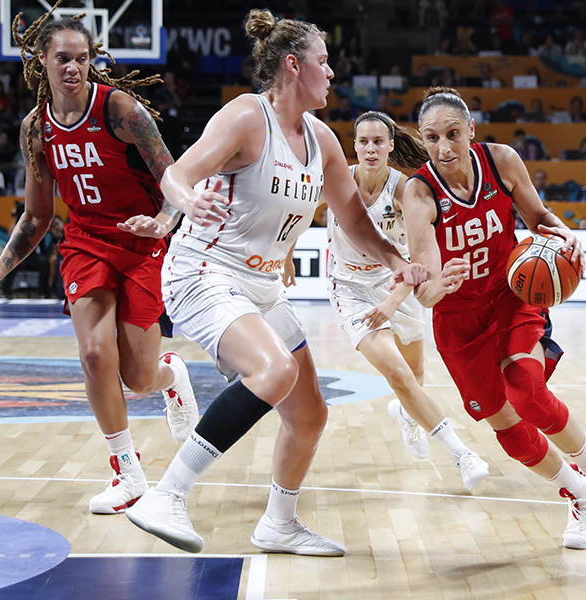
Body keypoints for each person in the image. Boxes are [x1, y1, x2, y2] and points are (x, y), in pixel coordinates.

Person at [123, 9, 427, 556]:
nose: (333, 73)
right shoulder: (246, 116)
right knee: (275, 369)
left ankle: (279, 525)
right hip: (204, 271)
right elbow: (175, 172)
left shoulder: (323, 140)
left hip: (261, 286)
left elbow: (354, 219)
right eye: (323, 62)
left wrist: (394, 259)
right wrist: (186, 199)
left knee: (310, 412)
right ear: (293, 65)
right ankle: (165, 496)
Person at [402, 87, 586, 550]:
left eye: (453, 134)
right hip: (457, 319)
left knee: (528, 393)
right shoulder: (418, 193)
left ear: (471, 130)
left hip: (509, 296)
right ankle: (577, 495)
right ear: (423, 139)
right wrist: (441, 283)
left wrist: (567, 235)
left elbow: (539, 218)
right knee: (512, 437)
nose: (444, 147)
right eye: (432, 138)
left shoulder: (502, 161)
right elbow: (426, 292)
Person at [0, 5, 198, 514]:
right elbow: (37, 216)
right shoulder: (36, 129)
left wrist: (164, 223)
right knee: (92, 355)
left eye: (82, 58)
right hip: (86, 242)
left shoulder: (121, 111)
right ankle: (127, 474)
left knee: (138, 376)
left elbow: (174, 181)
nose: (73, 67)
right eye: (62, 58)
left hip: (141, 241)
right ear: (41, 60)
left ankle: (170, 375)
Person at [324, 111, 488, 489]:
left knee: (414, 375)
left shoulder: (405, 191)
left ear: (391, 146)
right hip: (350, 290)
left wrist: (394, 302)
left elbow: (417, 261)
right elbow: (298, 214)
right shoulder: (337, 182)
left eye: (378, 141)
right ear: (354, 145)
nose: (370, 148)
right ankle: (462, 454)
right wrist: (285, 254)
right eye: (363, 141)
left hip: (400, 285)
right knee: (397, 374)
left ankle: (406, 414)